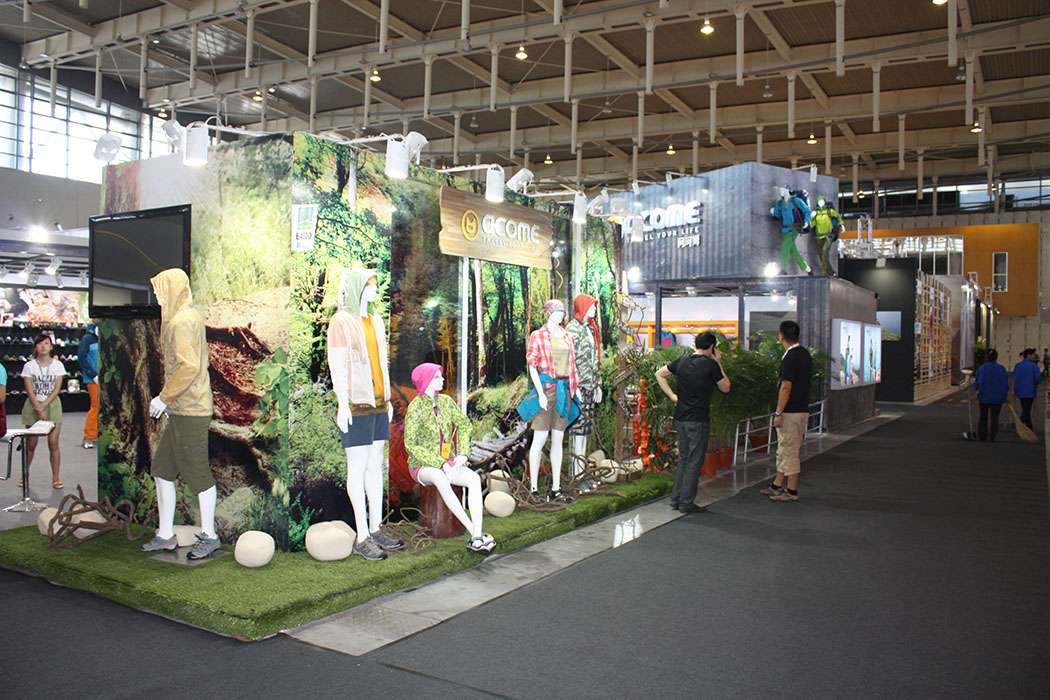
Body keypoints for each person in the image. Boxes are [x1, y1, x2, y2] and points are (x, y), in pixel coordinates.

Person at [140, 269, 220, 560]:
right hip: (181, 409)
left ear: (174, 290)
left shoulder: (183, 321)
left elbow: (188, 367)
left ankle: (210, 535)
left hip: (191, 409)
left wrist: (164, 397)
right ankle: (165, 534)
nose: (159, 297)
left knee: (197, 472)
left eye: (162, 291)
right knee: (162, 470)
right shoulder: (183, 317)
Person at [327, 268, 403, 561]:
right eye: (371, 285)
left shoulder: (376, 321)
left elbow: (382, 363)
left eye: (376, 285)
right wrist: (342, 403)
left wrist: (388, 399)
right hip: (356, 404)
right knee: (357, 468)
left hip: (379, 404)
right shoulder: (341, 322)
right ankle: (361, 536)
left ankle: (375, 527)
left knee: (375, 466)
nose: (375, 290)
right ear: (358, 287)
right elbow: (337, 366)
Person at [404, 363, 494, 553]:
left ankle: (477, 534)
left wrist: (463, 453)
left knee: (473, 479)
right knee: (439, 476)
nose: (443, 379)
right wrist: (440, 462)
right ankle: (474, 533)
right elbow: (411, 445)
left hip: (449, 461)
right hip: (422, 465)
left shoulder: (445, 402)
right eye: (437, 376)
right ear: (426, 381)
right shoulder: (415, 408)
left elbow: (464, 424)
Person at [654, 331, 731, 514]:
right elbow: (726, 387)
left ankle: (676, 499)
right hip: (698, 419)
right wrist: (719, 363)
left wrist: (672, 396)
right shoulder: (711, 365)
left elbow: (659, 374)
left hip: (680, 417)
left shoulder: (682, 360)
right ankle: (686, 503)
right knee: (694, 462)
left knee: (684, 459)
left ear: (696, 344)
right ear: (712, 347)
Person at [519, 299, 579, 503]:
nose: (561, 314)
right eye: (557, 311)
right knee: (540, 437)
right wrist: (540, 392)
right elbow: (532, 365)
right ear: (549, 313)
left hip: (564, 391)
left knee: (558, 438)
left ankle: (556, 489)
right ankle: (534, 489)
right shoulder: (537, 336)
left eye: (562, 311)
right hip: (546, 390)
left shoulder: (568, 337)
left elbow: (572, 365)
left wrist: (575, 389)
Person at [761, 320, 813, 502]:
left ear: (781, 336)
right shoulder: (804, 354)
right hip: (802, 409)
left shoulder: (790, 357)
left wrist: (778, 412)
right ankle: (777, 484)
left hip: (790, 411)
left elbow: (786, 386)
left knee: (789, 449)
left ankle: (791, 490)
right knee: (786, 448)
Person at [565, 294, 602, 484]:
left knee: (585, 432)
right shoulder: (572, 329)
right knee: (577, 433)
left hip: (589, 385)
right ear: (584, 307)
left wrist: (598, 384)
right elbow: (568, 360)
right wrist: (574, 386)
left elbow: (594, 358)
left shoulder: (589, 328)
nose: (594, 309)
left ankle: (581, 474)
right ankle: (576, 476)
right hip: (578, 387)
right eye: (592, 306)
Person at [21, 333, 66, 489]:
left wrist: (44, 405)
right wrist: (38, 408)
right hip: (33, 405)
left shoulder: (58, 365)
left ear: (51, 347)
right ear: (35, 347)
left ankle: (56, 478)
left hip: (52, 405)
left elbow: (57, 389)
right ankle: (24, 475)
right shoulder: (29, 366)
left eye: (46, 343)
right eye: (40, 343)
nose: (43, 346)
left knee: (53, 443)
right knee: (31, 444)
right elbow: (29, 389)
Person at [770, 185, 813, 276]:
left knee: (785, 248)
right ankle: (807, 269)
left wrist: (806, 221)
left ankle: (783, 270)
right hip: (785, 230)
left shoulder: (796, 201)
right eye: (780, 190)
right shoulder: (780, 203)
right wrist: (773, 213)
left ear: (788, 190)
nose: (781, 192)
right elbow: (777, 216)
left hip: (794, 229)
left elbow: (807, 210)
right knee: (794, 252)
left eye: (783, 190)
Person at [973, 349, 1008, 442]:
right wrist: (1005, 395)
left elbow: (978, 382)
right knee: (995, 418)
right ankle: (992, 437)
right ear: (996, 358)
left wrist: (974, 386)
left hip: (984, 396)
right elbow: (1005, 384)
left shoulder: (982, 368)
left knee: (983, 417)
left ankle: (982, 436)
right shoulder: (1002, 369)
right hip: (997, 397)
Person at [809, 196, 843, 276]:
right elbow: (812, 225)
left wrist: (841, 224)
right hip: (818, 237)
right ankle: (831, 272)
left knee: (825, 250)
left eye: (822, 200)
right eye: (819, 201)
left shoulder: (830, 211)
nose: (821, 202)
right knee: (822, 255)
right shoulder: (816, 214)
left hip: (829, 236)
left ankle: (823, 271)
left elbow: (838, 217)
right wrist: (811, 218)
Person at [78, 322, 99, 449]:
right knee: (96, 406)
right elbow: (81, 357)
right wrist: (92, 374)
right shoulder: (87, 339)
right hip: (93, 379)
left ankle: (99, 434)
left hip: (107, 378)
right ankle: (89, 436)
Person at [1012, 348, 1041, 431]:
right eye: (1033, 355)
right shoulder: (1033, 366)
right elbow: (1037, 379)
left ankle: (1029, 426)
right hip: (1030, 390)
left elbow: (1015, 378)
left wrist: (1015, 389)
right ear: (1028, 355)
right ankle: (1021, 425)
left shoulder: (1018, 365)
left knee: (1025, 408)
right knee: (1026, 409)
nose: (1034, 356)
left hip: (1020, 390)